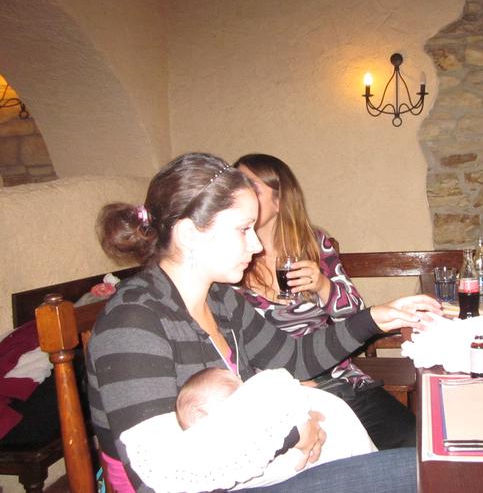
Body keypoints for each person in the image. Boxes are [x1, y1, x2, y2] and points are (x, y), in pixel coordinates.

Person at [88, 152, 439, 492]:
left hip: (252, 471)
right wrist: (292, 433)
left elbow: (294, 358)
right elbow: (161, 476)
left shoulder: (220, 299)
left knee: (430, 464)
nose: (256, 245)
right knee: (423, 474)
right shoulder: (132, 322)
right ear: (189, 235)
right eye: (243, 229)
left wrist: (374, 318)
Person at [234, 153, 416, 449]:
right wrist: (284, 386)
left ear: (280, 201)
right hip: (275, 394)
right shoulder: (230, 257)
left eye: (251, 186)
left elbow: (355, 316)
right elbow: (229, 344)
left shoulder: (313, 244)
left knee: (409, 439)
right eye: (236, 183)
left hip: (337, 378)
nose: (239, 192)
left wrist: (323, 285)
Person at [127, 367, 376, 490]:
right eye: (234, 393)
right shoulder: (204, 452)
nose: (244, 395)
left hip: (338, 444)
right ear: (199, 415)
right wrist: (295, 431)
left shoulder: (226, 303)